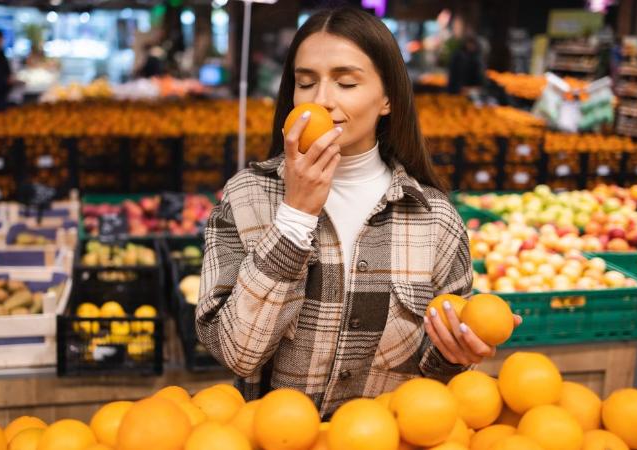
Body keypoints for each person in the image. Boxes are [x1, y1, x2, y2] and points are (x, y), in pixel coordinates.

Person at [196, 7, 520, 418]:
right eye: (305, 82)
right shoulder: (247, 198)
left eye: (346, 82)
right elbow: (238, 353)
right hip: (279, 440)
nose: (321, 100)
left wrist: (454, 357)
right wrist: (295, 215)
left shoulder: (433, 219)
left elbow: (435, 390)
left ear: (387, 98)